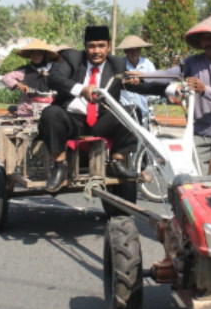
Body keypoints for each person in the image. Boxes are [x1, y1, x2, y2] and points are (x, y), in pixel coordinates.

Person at [131, 15, 211, 183]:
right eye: (204, 39)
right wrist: (143, 76)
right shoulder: (193, 62)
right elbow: (169, 74)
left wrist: (204, 90)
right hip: (198, 132)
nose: (208, 43)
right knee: (196, 181)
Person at [39, 25, 146, 192]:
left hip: (102, 122)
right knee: (50, 113)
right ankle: (59, 167)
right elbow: (54, 78)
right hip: (73, 120)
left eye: (101, 46)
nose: (96, 51)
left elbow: (136, 86)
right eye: (91, 46)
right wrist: (82, 89)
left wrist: (169, 89)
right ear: (85, 47)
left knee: (133, 110)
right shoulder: (72, 58)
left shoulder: (117, 64)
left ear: (109, 47)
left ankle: (117, 162)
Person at [2, 39, 58, 117]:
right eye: (33, 53)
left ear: (44, 55)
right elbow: (6, 78)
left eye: (38, 54)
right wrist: (19, 85)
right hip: (27, 109)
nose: (35, 56)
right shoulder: (25, 70)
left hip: (50, 107)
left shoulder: (54, 69)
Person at [116, 35, 157, 123]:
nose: (134, 53)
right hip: (125, 110)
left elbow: (155, 83)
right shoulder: (119, 65)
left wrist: (143, 80)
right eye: (131, 50)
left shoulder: (147, 64)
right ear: (125, 51)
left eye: (137, 50)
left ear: (140, 50)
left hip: (144, 110)